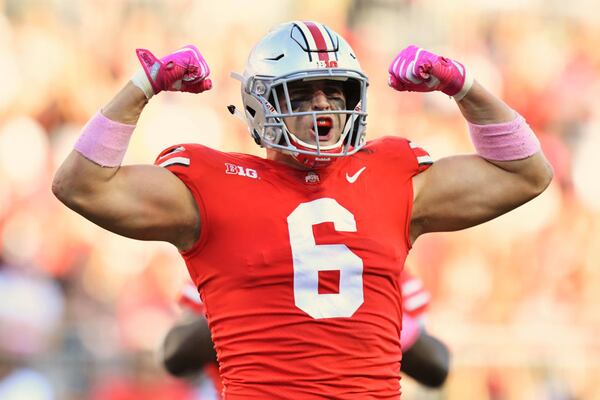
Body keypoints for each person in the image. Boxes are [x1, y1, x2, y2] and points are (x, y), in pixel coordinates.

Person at [52, 20, 553, 399]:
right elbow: (81, 186)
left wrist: (463, 85)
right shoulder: (210, 182)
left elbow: (527, 173)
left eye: (336, 92)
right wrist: (142, 87)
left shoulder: (393, 173)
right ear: (259, 103)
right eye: (302, 93)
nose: (322, 108)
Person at [162, 270, 449, 396]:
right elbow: (175, 354)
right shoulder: (229, 251)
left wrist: (366, 319)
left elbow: (436, 367)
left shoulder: (380, 257)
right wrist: (253, 304)